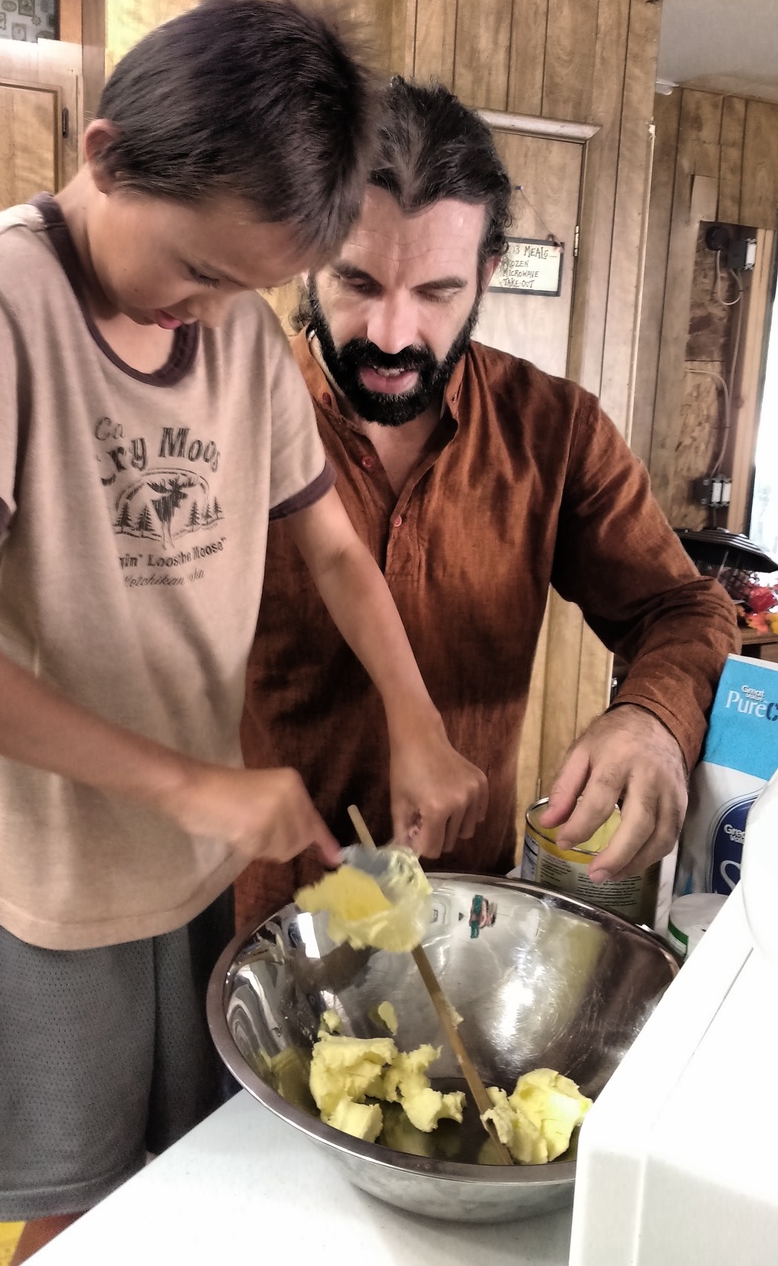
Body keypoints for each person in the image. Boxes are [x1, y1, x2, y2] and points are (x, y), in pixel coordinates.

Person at [0, 0, 487, 1260]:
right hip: (50, 883)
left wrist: (415, 724)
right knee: (78, 1207)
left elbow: (330, 550)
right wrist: (197, 788)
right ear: (104, 157)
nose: (209, 312)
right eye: (200, 270)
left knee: (193, 1178)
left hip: (187, 876)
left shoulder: (236, 333)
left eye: (251, 288)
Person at [238, 74, 738, 926]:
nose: (393, 337)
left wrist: (653, 718)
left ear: (487, 275)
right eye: (358, 282)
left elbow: (685, 610)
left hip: (463, 913)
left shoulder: (556, 432)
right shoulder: (227, 410)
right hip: (254, 909)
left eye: (436, 293)